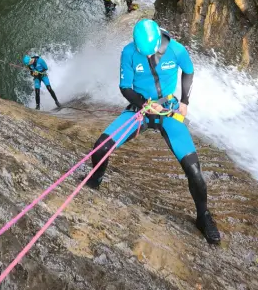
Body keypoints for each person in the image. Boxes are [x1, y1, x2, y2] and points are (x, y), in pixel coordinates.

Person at [86, 19, 220, 245]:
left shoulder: (176, 49)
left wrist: (185, 101)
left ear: (159, 40)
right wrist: (144, 104)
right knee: (100, 149)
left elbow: (188, 71)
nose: (148, 56)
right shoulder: (128, 53)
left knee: (195, 172)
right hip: (140, 109)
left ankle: (203, 216)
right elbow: (125, 87)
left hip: (168, 111)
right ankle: (93, 183)